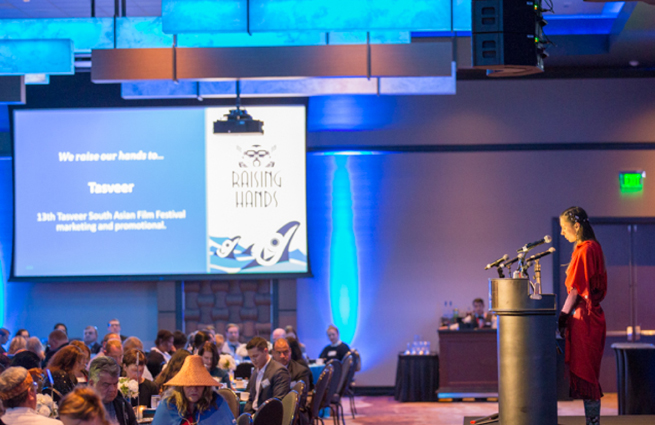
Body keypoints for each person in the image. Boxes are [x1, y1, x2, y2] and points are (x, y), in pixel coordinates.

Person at [558, 206, 607, 425]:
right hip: (593, 317)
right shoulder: (594, 247)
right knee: (589, 374)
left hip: (584, 319)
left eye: (564, 227)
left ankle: (593, 423)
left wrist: (562, 315)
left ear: (576, 226)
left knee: (587, 375)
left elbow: (577, 289)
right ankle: (592, 422)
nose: (562, 232)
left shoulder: (585, 250)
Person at [152, 355, 234, 425]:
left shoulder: (217, 404)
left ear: (205, 387)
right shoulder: (168, 405)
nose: (194, 389)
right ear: (182, 386)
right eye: (189, 385)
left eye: (199, 385)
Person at [244, 336, 290, 414]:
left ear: (265, 351)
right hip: (254, 415)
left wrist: (256, 417)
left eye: (255, 356)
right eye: (250, 357)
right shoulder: (255, 371)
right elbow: (251, 399)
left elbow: (277, 403)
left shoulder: (279, 371)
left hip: (268, 416)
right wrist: (247, 416)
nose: (253, 360)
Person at [88, 356, 137, 425]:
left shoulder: (123, 405)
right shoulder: (79, 409)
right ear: (92, 384)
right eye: (106, 385)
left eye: (115, 384)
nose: (112, 389)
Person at [273, 338, 312, 412]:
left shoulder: (301, 371)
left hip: (292, 411)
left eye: (285, 352)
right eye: (279, 352)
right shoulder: (267, 371)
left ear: (290, 351)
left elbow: (301, 399)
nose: (282, 356)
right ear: (273, 353)